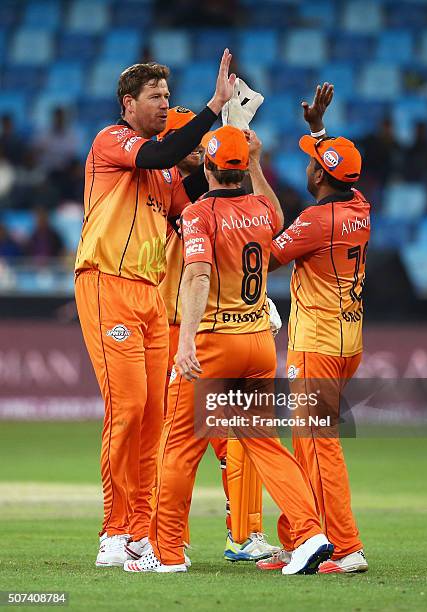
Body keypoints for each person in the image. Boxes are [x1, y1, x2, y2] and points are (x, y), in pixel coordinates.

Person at [124, 125, 333, 574]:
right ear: (240, 168)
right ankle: (310, 532)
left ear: (211, 166)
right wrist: (258, 162)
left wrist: (185, 342)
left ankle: (166, 555)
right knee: (265, 445)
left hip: (214, 343)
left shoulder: (200, 214)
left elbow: (197, 277)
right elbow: (278, 217)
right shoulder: (260, 207)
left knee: (178, 448)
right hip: (258, 343)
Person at [74, 50, 236, 568]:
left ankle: (141, 529)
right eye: (156, 97)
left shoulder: (162, 171)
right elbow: (160, 156)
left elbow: (193, 201)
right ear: (129, 103)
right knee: (125, 410)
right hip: (106, 283)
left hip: (149, 295)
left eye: (168, 96)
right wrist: (212, 109)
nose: (166, 104)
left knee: (153, 416)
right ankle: (113, 529)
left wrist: (226, 158)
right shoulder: (111, 142)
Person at [157, 107, 279, 563]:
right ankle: (170, 539)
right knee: (177, 441)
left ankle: (241, 533)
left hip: (208, 329)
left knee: (226, 443)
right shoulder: (169, 190)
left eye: (199, 136)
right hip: (178, 327)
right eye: (184, 137)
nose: (196, 142)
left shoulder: (201, 197)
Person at [257, 84, 369, 574]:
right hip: (348, 342)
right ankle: (306, 539)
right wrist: (318, 130)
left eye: (312, 160)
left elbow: (264, 260)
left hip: (317, 345)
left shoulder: (315, 220)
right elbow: (343, 173)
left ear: (321, 175)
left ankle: (347, 549)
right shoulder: (359, 207)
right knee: (307, 443)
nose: (306, 166)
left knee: (319, 446)